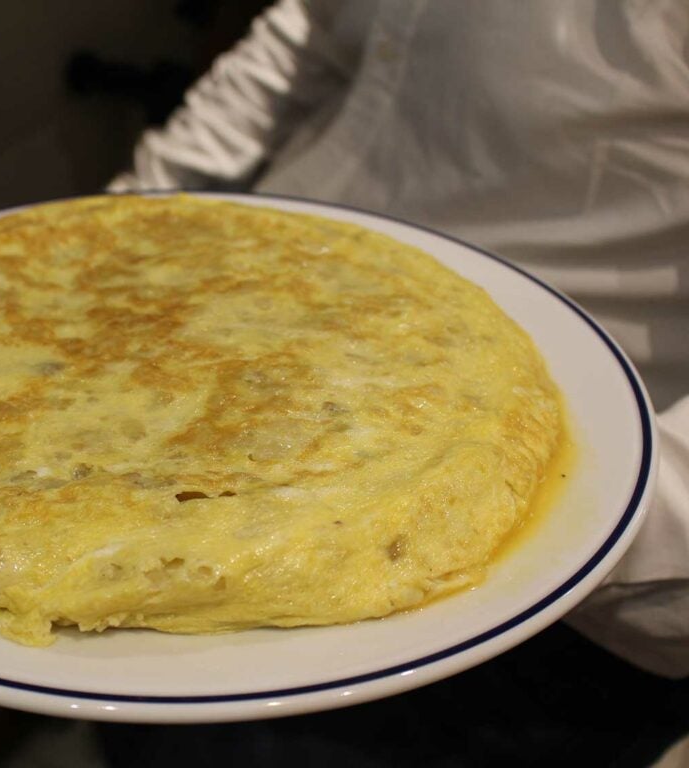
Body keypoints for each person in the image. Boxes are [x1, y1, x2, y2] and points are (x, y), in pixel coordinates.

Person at [100, 2, 689, 765]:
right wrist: (130, 222)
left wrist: (558, 512)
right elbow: (309, 28)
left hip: (547, 587)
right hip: (214, 350)